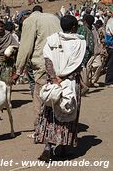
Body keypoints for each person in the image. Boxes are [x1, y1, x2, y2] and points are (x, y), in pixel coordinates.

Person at [35, 15, 86, 162]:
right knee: (68, 112)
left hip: (53, 83)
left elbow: (48, 61)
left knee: (50, 113)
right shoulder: (79, 42)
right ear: (74, 28)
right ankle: (64, 147)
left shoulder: (52, 40)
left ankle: (47, 148)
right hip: (70, 83)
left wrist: (54, 78)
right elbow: (77, 64)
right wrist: (63, 78)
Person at [12, 5, 62, 137]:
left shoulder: (30, 21)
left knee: (39, 99)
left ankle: (40, 130)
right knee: (56, 97)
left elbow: (25, 48)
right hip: (59, 63)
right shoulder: (54, 18)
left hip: (42, 64)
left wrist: (18, 71)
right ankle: (57, 128)